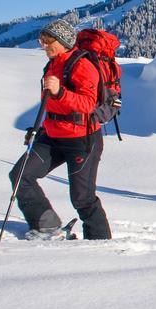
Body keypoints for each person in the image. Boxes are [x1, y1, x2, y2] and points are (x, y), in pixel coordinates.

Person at [9, 19, 112, 240]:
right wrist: (37, 129)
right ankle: (46, 227)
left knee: (82, 198)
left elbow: (88, 104)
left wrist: (60, 92)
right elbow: (50, 104)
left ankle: (101, 244)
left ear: (64, 41)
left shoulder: (83, 66)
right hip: (52, 135)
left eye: (48, 42)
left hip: (82, 139)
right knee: (20, 176)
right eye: (42, 41)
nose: (43, 46)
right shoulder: (53, 64)